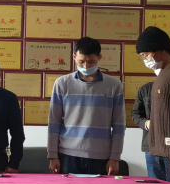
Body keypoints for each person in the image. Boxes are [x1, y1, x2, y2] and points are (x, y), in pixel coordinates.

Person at [48, 37, 125, 175]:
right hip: (68, 154)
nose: (85, 66)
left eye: (91, 62)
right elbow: (54, 122)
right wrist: (52, 155)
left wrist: (115, 157)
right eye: (81, 61)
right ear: (74, 57)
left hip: (101, 156)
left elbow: (119, 125)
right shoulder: (62, 83)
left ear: (100, 57)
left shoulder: (114, 85)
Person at [136, 26, 170, 183]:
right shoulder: (162, 73)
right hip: (157, 153)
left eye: (146, 55)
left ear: (161, 50)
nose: (145, 60)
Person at [130, 81, 155, 176]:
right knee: (155, 182)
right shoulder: (145, 89)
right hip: (150, 146)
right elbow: (135, 114)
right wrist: (146, 123)